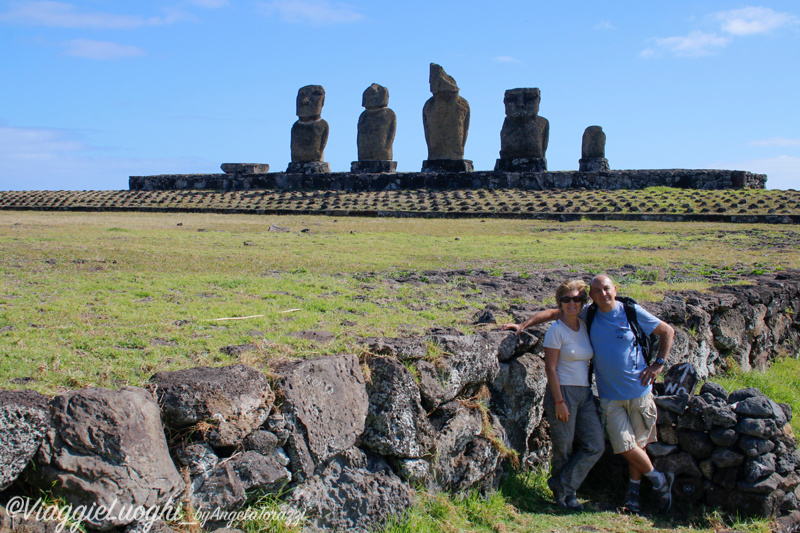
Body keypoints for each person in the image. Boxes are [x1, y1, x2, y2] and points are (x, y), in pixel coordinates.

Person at [504, 274, 675, 514]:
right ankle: (656, 480)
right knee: (605, 446)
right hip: (593, 396)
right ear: (590, 297)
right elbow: (552, 320)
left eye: (606, 289)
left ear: (613, 289)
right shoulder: (576, 320)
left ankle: (625, 493)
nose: (573, 303)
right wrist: (522, 326)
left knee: (624, 445)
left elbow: (667, 331)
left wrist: (658, 364)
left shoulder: (613, 314)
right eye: (596, 291)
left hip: (623, 391)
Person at [541, 279, 604, 511]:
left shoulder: (584, 327)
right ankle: (566, 497)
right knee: (564, 448)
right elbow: (550, 368)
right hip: (563, 391)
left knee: (595, 444)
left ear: (583, 302)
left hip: (584, 393)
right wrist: (559, 401)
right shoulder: (556, 330)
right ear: (560, 303)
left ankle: (561, 485)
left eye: (576, 299)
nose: (571, 303)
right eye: (566, 299)